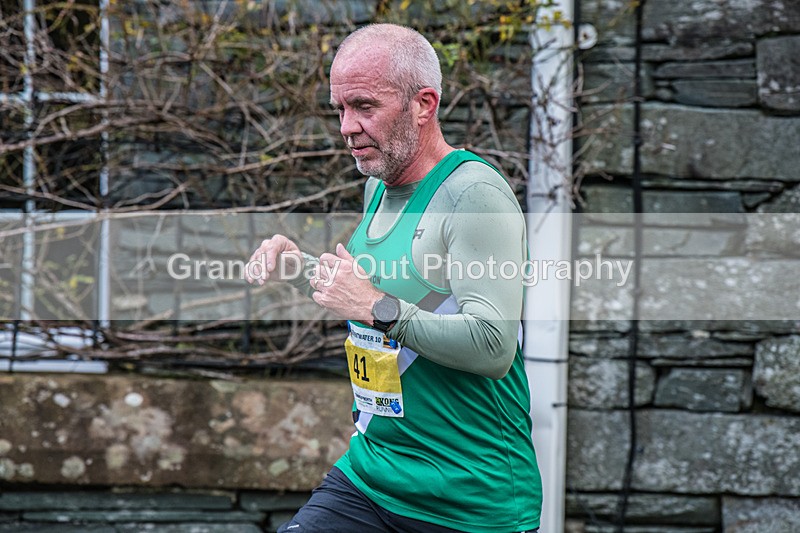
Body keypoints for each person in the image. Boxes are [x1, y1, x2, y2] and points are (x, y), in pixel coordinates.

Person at [246, 23, 542, 533]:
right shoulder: (380, 185)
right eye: (340, 109)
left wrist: (375, 306)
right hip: (372, 475)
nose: (346, 127)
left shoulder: (473, 196)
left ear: (423, 104)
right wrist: (298, 270)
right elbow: (389, 291)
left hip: (467, 500)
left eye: (364, 107)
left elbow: (493, 346)